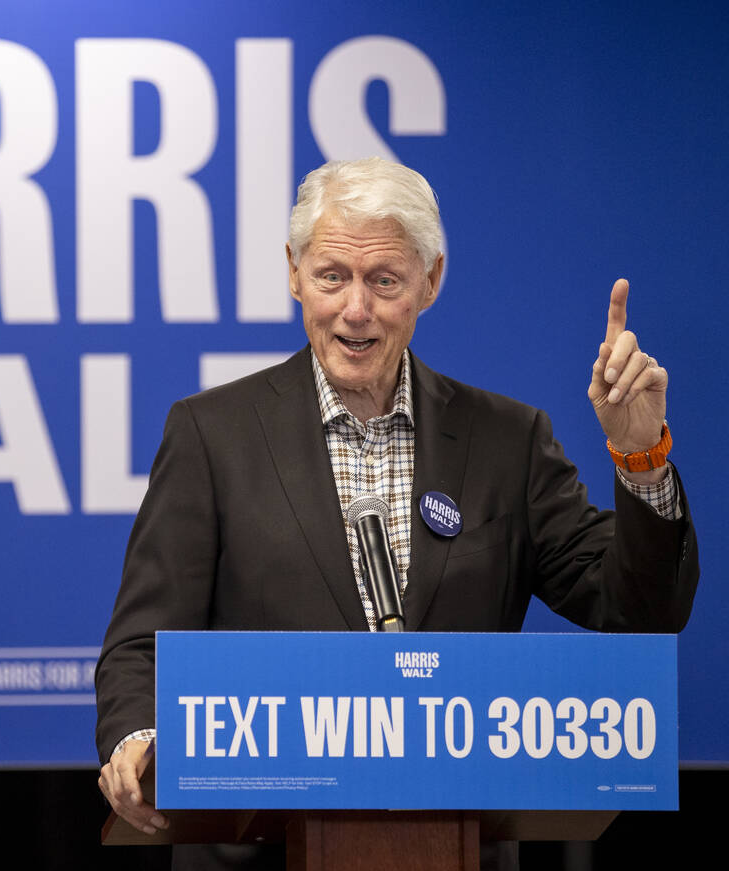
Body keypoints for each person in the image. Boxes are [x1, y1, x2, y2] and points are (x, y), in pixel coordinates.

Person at [94, 157, 699, 859]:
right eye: (332, 276)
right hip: (256, 848)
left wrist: (641, 458)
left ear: (430, 281)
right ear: (294, 272)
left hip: (458, 845)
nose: (356, 309)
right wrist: (139, 737)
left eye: (384, 280)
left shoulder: (508, 441)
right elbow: (141, 643)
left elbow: (640, 614)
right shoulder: (212, 435)